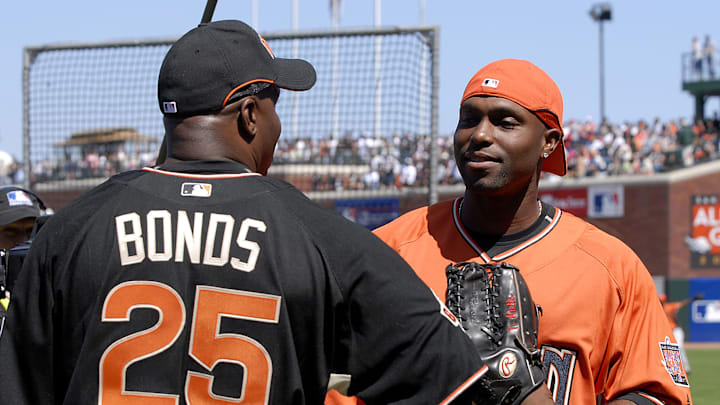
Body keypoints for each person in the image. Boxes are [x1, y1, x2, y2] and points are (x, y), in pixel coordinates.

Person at [0, 21, 552, 405]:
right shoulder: (323, 241)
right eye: (273, 107)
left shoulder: (68, 235)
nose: (278, 128)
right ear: (247, 115)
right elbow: (475, 386)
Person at [331, 59, 694, 404]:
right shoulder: (387, 251)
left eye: (505, 122)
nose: (480, 135)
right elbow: (333, 383)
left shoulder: (612, 267)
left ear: (549, 142)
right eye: (469, 120)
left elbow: (658, 394)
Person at [660, 293, 702, 375]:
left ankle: (686, 369)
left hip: (676, 330)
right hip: (666, 331)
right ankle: (671, 368)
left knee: (679, 347)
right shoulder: (656, 310)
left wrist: (693, 299)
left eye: (662, 301)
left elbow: (682, 304)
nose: (661, 303)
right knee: (666, 349)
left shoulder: (669, 307)